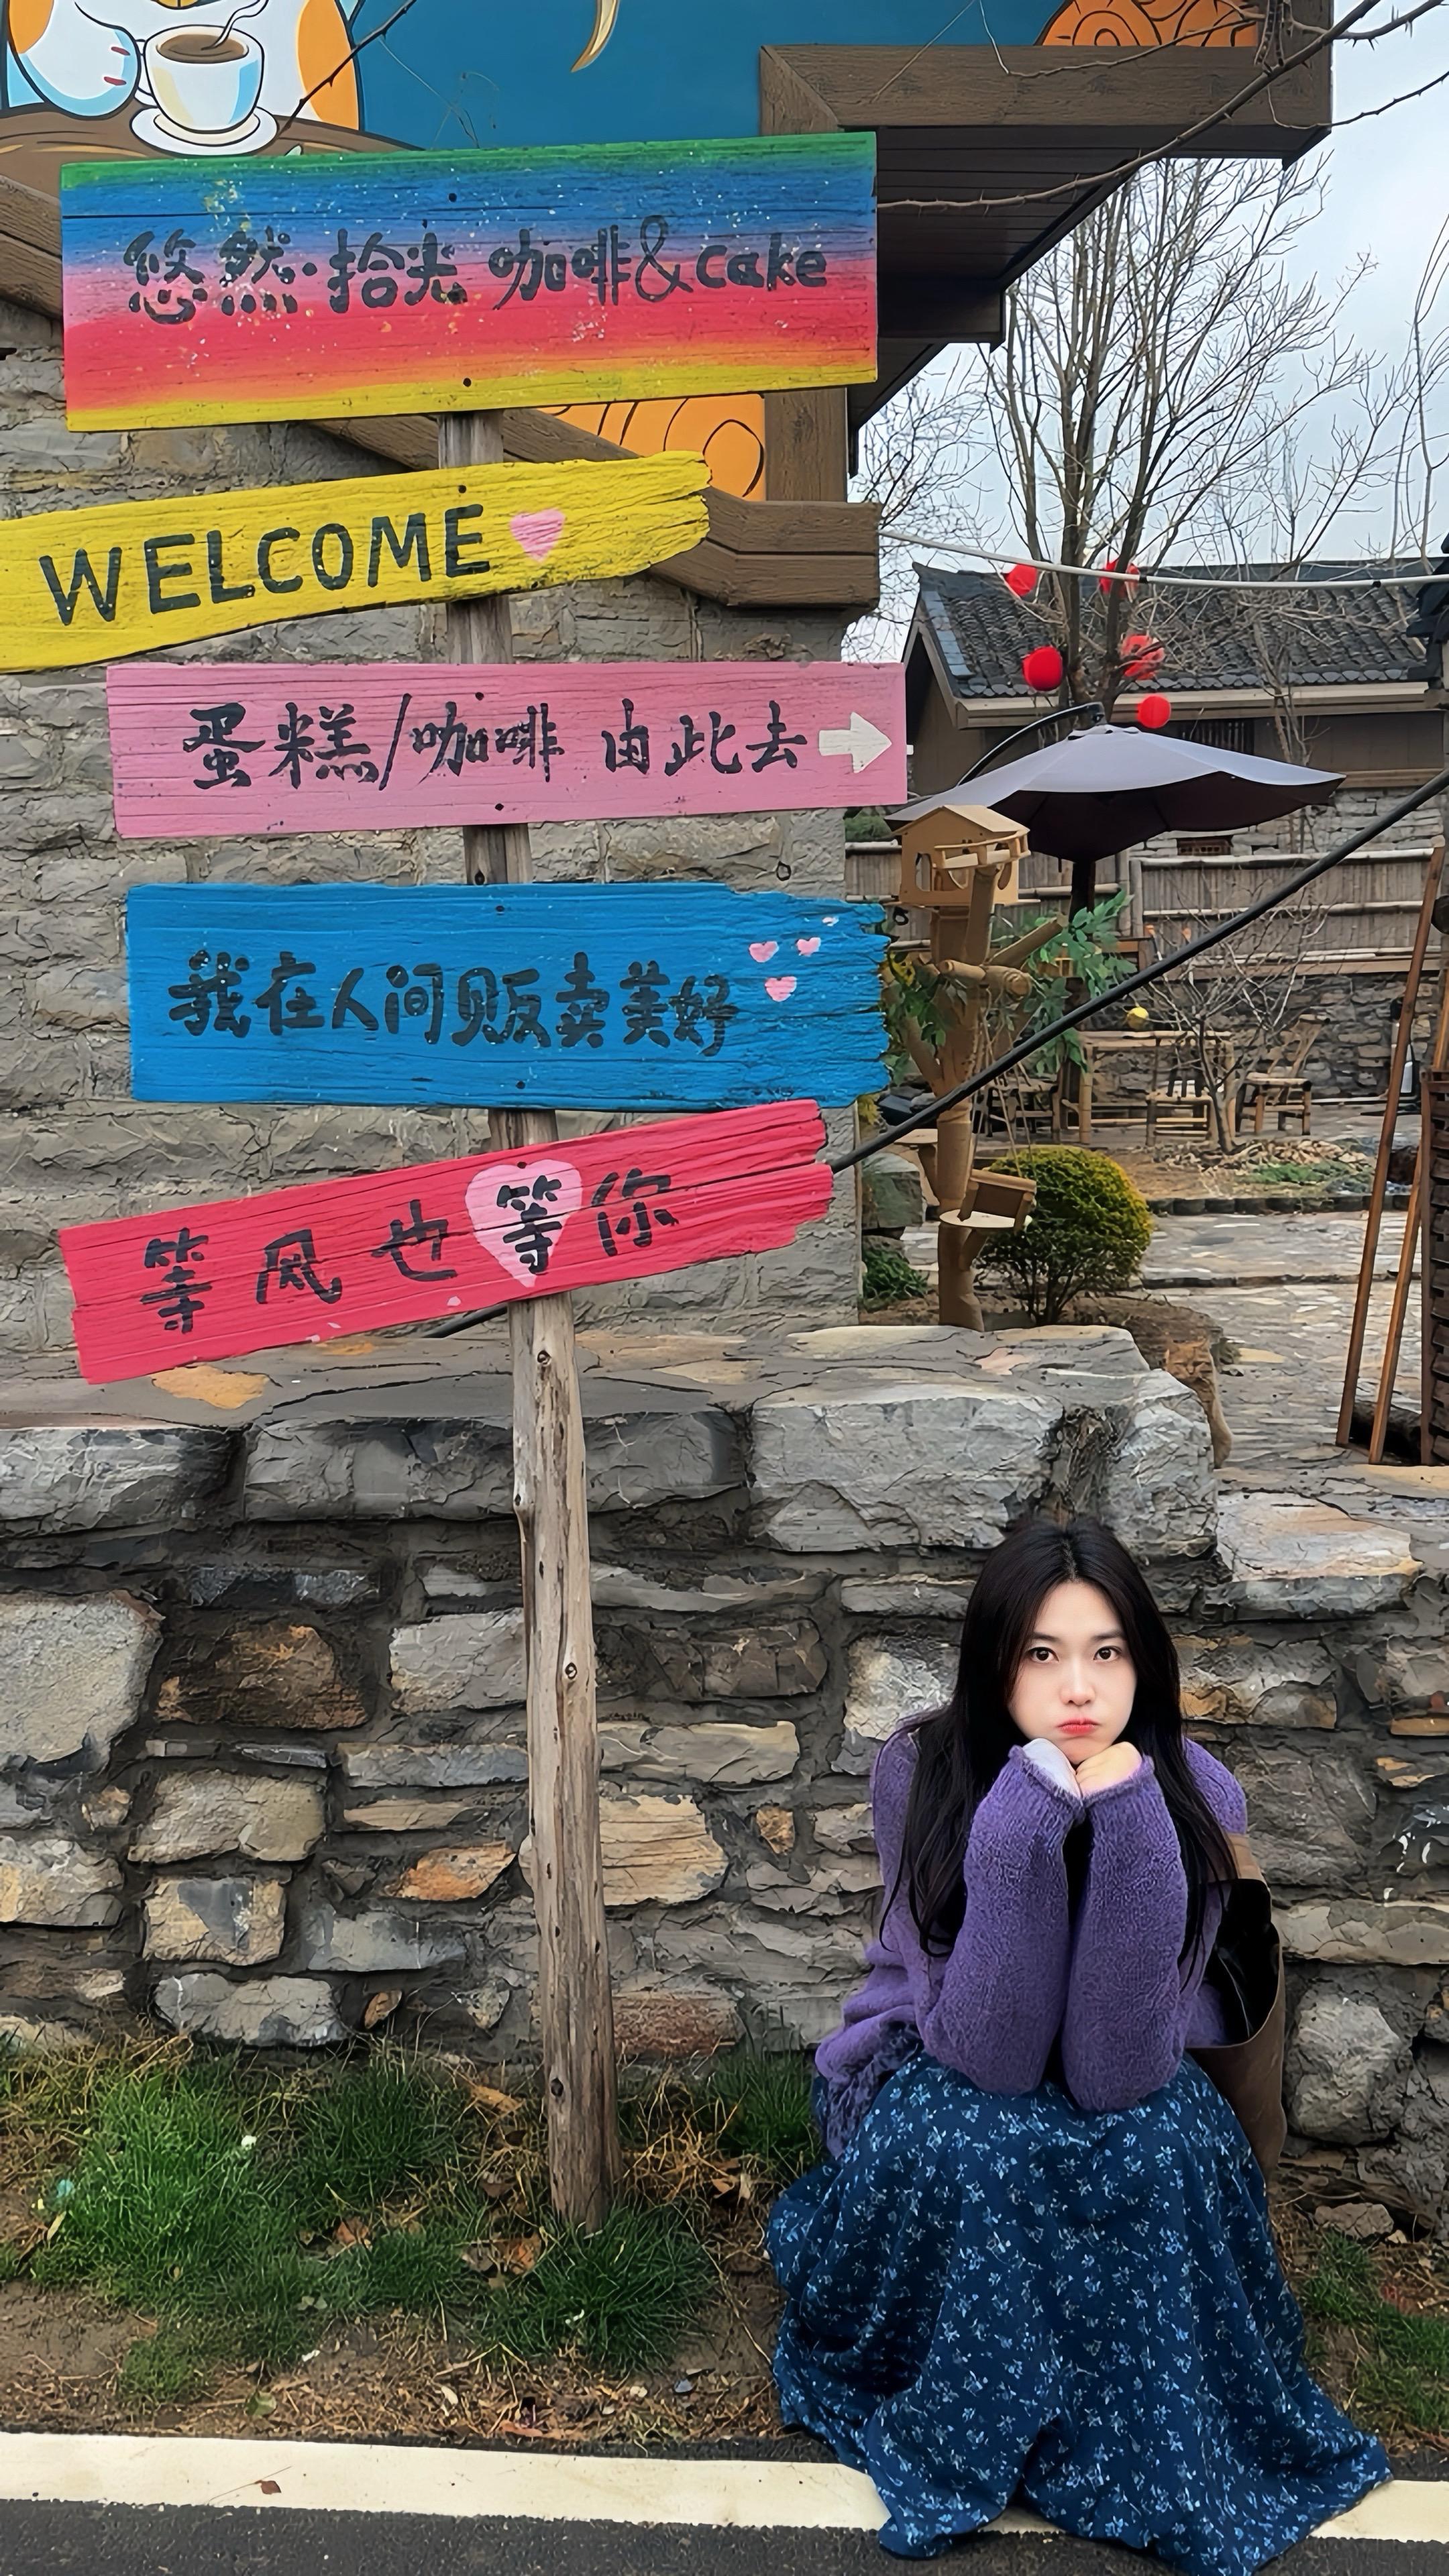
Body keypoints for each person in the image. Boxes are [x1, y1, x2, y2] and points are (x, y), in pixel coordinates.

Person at [769, 1516, 1387, 2573]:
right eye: (1042, 1655)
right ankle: (972, 2412)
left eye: (1107, 1653)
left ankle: (1127, 2432)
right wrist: (1027, 1818)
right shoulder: (921, 1769)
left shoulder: (1197, 1795)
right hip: (939, 2051)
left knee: (1152, 2150)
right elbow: (990, 2055)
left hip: (1132, 2059)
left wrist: (1134, 1822)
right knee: (983, 2144)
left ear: (1144, 1664)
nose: (1079, 1690)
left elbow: (1114, 2071)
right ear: (995, 1664)